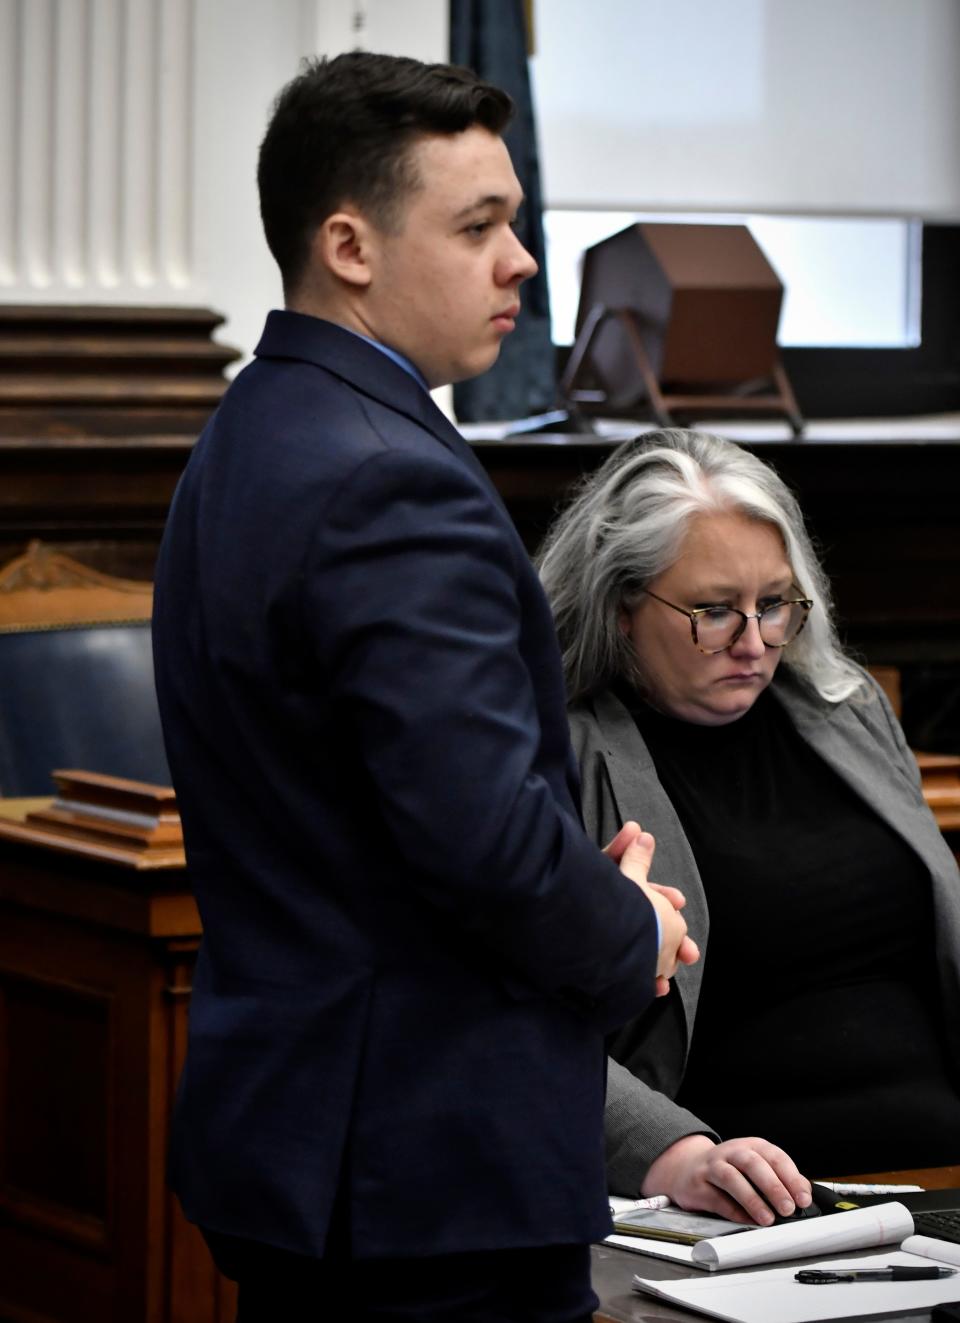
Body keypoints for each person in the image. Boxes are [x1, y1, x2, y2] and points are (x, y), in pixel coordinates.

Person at [151, 53, 696, 1323]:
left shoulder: (252, 431)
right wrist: (634, 931)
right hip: (427, 1166)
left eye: (517, 221)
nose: (522, 262)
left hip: (318, 1147)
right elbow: (481, 841)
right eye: (479, 226)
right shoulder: (387, 479)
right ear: (348, 242)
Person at [538, 428, 960, 1229]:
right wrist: (676, 1151)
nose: (756, 642)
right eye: (714, 611)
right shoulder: (558, 751)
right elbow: (507, 1023)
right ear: (621, 606)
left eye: (775, 604)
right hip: (734, 1211)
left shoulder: (849, 709)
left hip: (935, 1179)